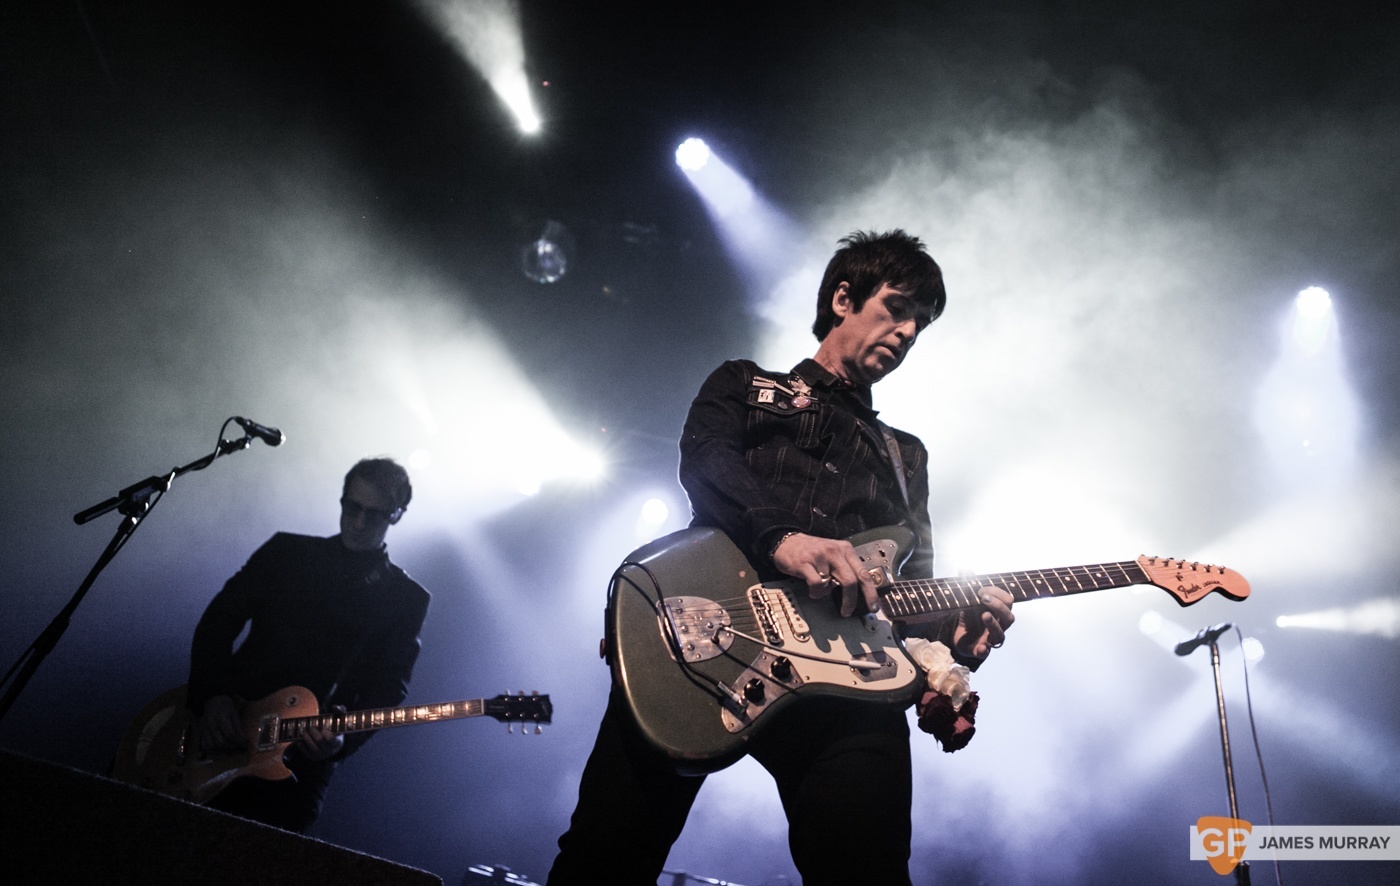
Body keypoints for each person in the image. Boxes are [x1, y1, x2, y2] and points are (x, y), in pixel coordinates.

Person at [547, 230, 1015, 885]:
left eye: (921, 324)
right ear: (843, 298)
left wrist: (951, 642)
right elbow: (706, 461)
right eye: (898, 307)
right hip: (706, 640)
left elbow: (912, 587)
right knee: (606, 856)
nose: (908, 332)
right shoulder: (743, 383)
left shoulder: (906, 457)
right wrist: (782, 539)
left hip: (849, 678)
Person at [186, 457, 430, 832]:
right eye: (353, 507)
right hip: (225, 729)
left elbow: (390, 686)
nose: (360, 522)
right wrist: (214, 695)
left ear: (397, 515)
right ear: (342, 500)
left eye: (375, 514)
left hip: (296, 762)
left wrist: (343, 740)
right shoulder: (286, 552)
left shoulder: (405, 598)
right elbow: (218, 621)